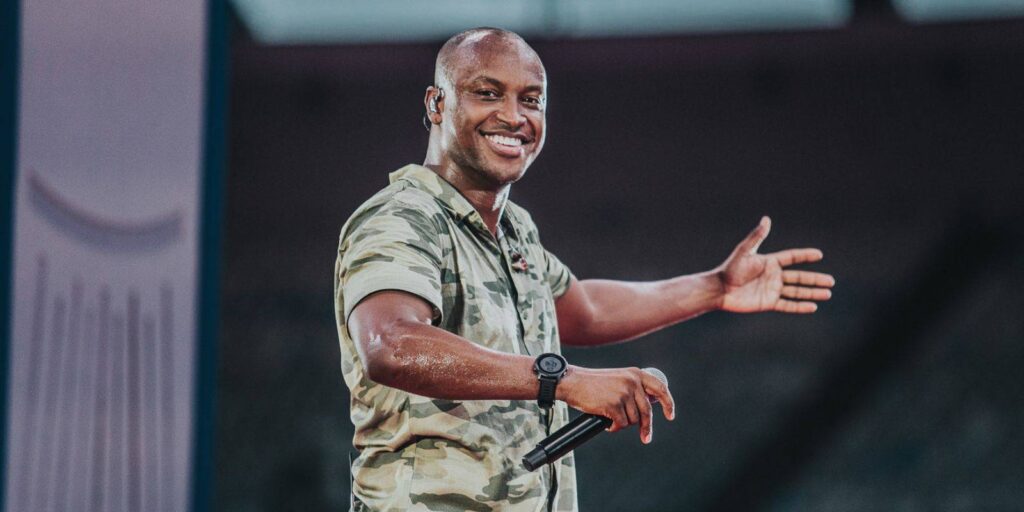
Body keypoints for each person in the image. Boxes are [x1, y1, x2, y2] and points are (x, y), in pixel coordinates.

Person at [334, 27, 835, 512]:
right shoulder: (402, 216)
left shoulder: (514, 230)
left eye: (531, 100)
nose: (514, 116)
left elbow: (585, 309)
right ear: (437, 104)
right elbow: (390, 344)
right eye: (488, 94)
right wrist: (562, 380)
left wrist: (715, 286)